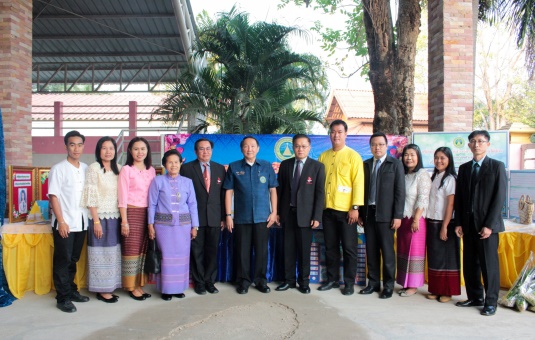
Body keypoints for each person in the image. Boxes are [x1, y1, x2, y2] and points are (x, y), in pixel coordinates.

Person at [454, 130, 506, 316]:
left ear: (488, 144)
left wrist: (490, 225)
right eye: (473, 141)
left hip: (487, 227)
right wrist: (458, 222)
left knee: (488, 265)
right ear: (469, 145)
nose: (477, 144)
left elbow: (499, 198)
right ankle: (475, 297)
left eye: (481, 141)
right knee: (470, 264)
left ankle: (491, 302)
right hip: (468, 225)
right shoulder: (465, 168)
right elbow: (459, 198)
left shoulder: (496, 166)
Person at [223, 136, 278, 295]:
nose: (249, 149)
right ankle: (243, 282)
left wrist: (274, 212)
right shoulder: (234, 167)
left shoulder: (267, 166)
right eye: (246, 146)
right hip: (241, 218)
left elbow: (273, 190)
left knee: (261, 251)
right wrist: (228, 215)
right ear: (242, 149)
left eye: (253, 146)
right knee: (242, 251)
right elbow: (229, 192)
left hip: (263, 217)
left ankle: (261, 281)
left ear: (258, 148)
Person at [318, 119, 364, 296]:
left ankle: (349, 283)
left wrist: (355, 207)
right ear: (330, 134)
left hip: (347, 211)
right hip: (327, 210)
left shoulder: (353, 156)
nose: (336, 135)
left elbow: (358, 183)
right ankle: (332, 280)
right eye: (333, 132)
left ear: (345, 134)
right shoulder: (324, 156)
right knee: (330, 247)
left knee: (349, 248)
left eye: (339, 132)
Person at [275, 134, 325, 294]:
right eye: (297, 146)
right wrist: (276, 212)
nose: (300, 149)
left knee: (304, 252)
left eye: (303, 146)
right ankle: (288, 281)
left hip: (306, 216)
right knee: (288, 249)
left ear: (309, 148)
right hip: (287, 214)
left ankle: (304, 282)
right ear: (293, 147)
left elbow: (319, 194)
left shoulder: (317, 167)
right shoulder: (285, 165)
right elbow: (279, 190)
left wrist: (317, 216)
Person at [358, 132, 405, 299]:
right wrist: (361, 213)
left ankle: (388, 286)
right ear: (370, 147)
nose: (377, 147)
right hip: (369, 214)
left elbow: (400, 192)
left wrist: (397, 215)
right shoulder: (365, 165)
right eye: (373, 144)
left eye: (380, 144)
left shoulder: (395, 164)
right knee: (371, 251)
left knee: (387, 253)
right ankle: (373, 283)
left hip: (386, 215)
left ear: (386, 146)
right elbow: (360, 190)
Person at [148, 149, 199, 301]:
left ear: (180, 163)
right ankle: (166, 290)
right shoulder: (158, 181)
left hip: (183, 227)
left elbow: (193, 205)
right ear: (165, 164)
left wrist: (194, 226)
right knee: (166, 258)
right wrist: (150, 225)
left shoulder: (188, 182)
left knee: (182, 258)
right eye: (170, 162)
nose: (173, 165)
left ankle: (178, 288)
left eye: (176, 162)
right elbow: (151, 204)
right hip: (163, 227)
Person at [48, 130, 89, 313]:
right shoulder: (58, 168)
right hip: (65, 223)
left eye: (79, 144)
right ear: (66, 146)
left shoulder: (87, 168)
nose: (76, 148)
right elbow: (53, 196)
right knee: (63, 260)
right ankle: (62, 297)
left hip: (81, 222)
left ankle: (71, 290)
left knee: (73, 259)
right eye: (72, 144)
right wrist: (61, 221)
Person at [180, 138, 226, 295]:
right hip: (195, 218)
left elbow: (223, 195)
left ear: (212, 151)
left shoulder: (220, 169)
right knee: (197, 251)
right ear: (195, 151)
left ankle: (210, 282)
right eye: (201, 149)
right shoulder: (186, 169)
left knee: (212, 251)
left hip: (215, 217)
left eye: (208, 149)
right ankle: (199, 282)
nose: (205, 151)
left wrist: (224, 217)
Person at [81, 136, 122, 303]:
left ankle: (110, 286)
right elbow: (90, 195)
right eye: (104, 148)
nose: (108, 151)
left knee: (113, 253)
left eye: (111, 148)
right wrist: (96, 221)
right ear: (99, 151)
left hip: (115, 217)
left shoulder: (119, 168)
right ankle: (102, 290)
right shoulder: (94, 168)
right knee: (101, 252)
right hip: (99, 217)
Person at [118, 137, 156, 301]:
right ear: (130, 151)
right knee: (131, 250)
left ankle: (140, 284)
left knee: (143, 250)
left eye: (143, 149)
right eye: (136, 149)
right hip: (132, 213)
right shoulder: (127, 170)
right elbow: (122, 197)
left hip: (148, 213)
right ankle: (131, 286)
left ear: (147, 151)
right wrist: (124, 221)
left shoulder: (152, 170)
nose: (140, 152)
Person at [426, 147, 460, 303]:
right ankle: (435, 289)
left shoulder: (450, 179)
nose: (439, 161)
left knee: (447, 259)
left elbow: (451, 204)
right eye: (436, 157)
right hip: (431, 221)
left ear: (449, 160)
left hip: (445, 223)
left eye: (442, 158)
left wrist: (445, 226)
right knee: (435, 258)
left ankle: (447, 292)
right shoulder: (434, 177)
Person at [396, 144, 431, 297]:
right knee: (403, 251)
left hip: (416, 220)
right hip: (403, 219)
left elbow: (423, 198)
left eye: (412, 155)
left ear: (418, 157)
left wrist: (416, 218)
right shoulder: (402, 174)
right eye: (406, 155)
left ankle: (413, 286)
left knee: (414, 253)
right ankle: (405, 282)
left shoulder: (422, 174)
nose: (408, 158)